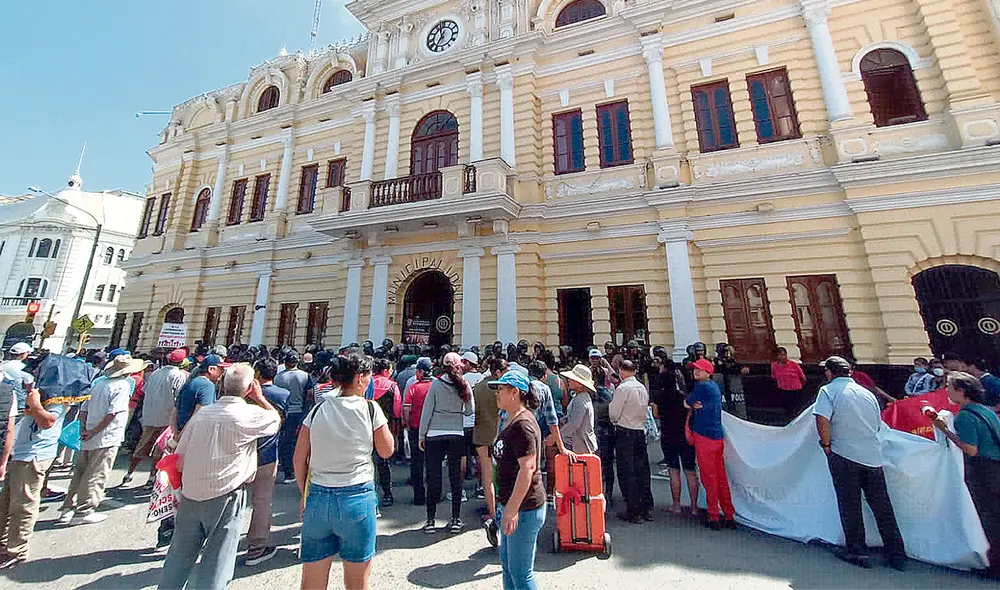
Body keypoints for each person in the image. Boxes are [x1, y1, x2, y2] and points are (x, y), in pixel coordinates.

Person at [158, 363, 281, 590]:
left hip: (191, 491)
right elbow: (274, 420)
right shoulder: (249, 413)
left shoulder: (202, 415)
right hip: (227, 493)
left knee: (179, 554)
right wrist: (260, 397)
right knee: (218, 558)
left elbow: (180, 456)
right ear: (249, 389)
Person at [293, 354, 393, 590]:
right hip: (356, 496)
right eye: (368, 376)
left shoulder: (317, 410)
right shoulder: (370, 409)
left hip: (318, 496)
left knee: (312, 580)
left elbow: (299, 458)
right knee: (358, 581)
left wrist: (304, 493)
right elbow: (387, 450)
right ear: (360, 379)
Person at [813, 356, 906, 571]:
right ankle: (896, 553)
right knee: (882, 506)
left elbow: (822, 418)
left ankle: (857, 550)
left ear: (829, 372)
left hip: (844, 454)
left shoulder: (827, 391)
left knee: (850, 504)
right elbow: (876, 424)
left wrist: (826, 445)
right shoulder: (867, 394)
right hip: (872, 456)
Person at [0, 361, 71, 569]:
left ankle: (17, 550)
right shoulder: (40, 391)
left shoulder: (58, 394)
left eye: (38, 370)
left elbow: (48, 421)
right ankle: (4, 543)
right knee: (6, 502)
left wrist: (35, 403)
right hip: (21, 452)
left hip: (35, 455)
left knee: (23, 504)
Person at [931, 372, 1000, 580]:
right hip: (996, 466)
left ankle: (995, 566)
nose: (947, 391)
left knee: (990, 519)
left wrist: (946, 431)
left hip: (984, 470)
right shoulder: (986, 411)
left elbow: (971, 450)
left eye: (950, 387)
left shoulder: (965, 417)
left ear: (961, 391)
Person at [57, 355, 140, 525]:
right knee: (96, 474)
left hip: (88, 435)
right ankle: (84, 510)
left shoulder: (98, 384)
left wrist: (85, 429)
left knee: (79, 472)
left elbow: (84, 410)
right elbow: (112, 413)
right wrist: (94, 431)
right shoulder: (122, 386)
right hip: (106, 436)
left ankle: (68, 508)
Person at [490, 370, 546, 590]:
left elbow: (528, 469)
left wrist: (512, 509)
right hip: (512, 504)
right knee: (509, 567)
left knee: (522, 574)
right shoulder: (511, 418)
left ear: (515, 393)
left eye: (501, 389)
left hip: (524, 508)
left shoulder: (523, 425)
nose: (497, 393)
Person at [418, 352, 474, 534]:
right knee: (455, 478)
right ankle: (456, 519)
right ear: (459, 366)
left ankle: (430, 520)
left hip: (434, 434)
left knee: (433, 478)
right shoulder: (464, 385)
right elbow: (469, 411)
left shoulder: (435, 384)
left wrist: (421, 435)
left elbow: (427, 411)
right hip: (456, 434)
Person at [245, 357, 290, 566]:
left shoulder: (242, 394)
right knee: (262, 501)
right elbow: (282, 421)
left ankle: (219, 543)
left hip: (239, 453)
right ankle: (256, 548)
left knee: (230, 500)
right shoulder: (282, 394)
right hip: (267, 454)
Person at [124, 348, 188, 487]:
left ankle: (129, 473)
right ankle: (152, 477)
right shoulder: (179, 376)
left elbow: (145, 391)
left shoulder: (155, 373)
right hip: (167, 416)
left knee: (142, 445)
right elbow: (178, 397)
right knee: (160, 448)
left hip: (150, 414)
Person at [685, 359, 734, 530]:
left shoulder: (702, 387)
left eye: (699, 370)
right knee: (720, 477)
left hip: (704, 436)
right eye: (695, 369)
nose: (695, 372)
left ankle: (713, 516)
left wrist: (693, 404)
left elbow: (687, 402)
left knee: (709, 478)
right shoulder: (713, 386)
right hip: (716, 436)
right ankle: (728, 514)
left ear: (708, 372)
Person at [654, 359, 699, 517]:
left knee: (673, 470)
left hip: (668, 434)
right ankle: (694, 506)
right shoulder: (684, 396)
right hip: (685, 435)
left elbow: (656, 414)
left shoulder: (659, 395)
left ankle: (676, 504)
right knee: (690, 470)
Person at [610, 360, 652, 524]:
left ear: (621, 370)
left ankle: (633, 510)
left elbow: (614, 413)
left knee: (627, 472)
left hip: (625, 430)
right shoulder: (641, 387)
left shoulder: (622, 388)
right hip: (639, 430)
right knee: (642, 470)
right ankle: (646, 507)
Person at [473, 357, 506, 548]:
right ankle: (502, 510)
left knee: (487, 477)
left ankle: (493, 512)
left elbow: (471, 411)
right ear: (497, 372)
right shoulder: (502, 389)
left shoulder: (478, 387)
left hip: (482, 436)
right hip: (500, 436)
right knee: (503, 474)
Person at [275, 353, 315, 484]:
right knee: (297, 442)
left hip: (283, 412)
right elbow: (310, 394)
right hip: (299, 412)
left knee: (284, 440)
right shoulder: (304, 376)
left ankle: (286, 468)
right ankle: (295, 469)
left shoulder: (278, 377)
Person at [403, 358, 434, 505]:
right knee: (433, 462)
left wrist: (408, 425)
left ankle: (419, 497)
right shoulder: (436, 386)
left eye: (418, 371)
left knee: (417, 463)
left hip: (416, 428)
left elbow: (406, 408)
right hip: (433, 429)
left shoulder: (413, 388)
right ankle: (434, 494)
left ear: (422, 372)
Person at [371, 358, 400, 506]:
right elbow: (397, 410)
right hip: (385, 427)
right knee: (384, 461)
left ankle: (369, 493)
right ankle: (387, 494)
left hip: (366, 427)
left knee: (367, 461)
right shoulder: (392, 386)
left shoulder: (366, 384)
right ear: (385, 371)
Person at [591, 366, 617, 509]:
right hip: (608, 431)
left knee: (598, 464)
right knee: (607, 465)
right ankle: (608, 493)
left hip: (598, 431)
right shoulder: (609, 394)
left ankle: (600, 491)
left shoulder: (593, 395)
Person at [559, 365, 597, 453]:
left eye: (572, 379)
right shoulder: (580, 397)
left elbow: (574, 424)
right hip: (580, 444)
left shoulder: (580, 399)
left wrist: (556, 437)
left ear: (579, 383)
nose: (568, 380)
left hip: (581, 446)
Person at [461, 352, 483, 485]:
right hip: (479, 421)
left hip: (465, 420)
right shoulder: (483, 378)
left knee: (463, 454)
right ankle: (480, 486)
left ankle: (461, 487)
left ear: (469, 363)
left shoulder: (463, 379)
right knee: (479, 454)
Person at [770, 347, 806, 422]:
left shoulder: (794, 365)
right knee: (787, 411)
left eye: (784, 354)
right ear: (777, 357)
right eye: (780, 355)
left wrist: (799, 387)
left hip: (795, 390)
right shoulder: (774, 366)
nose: (783, 357)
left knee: (796, 410)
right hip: (783, 390)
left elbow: (803, 378)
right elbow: (774, 377)